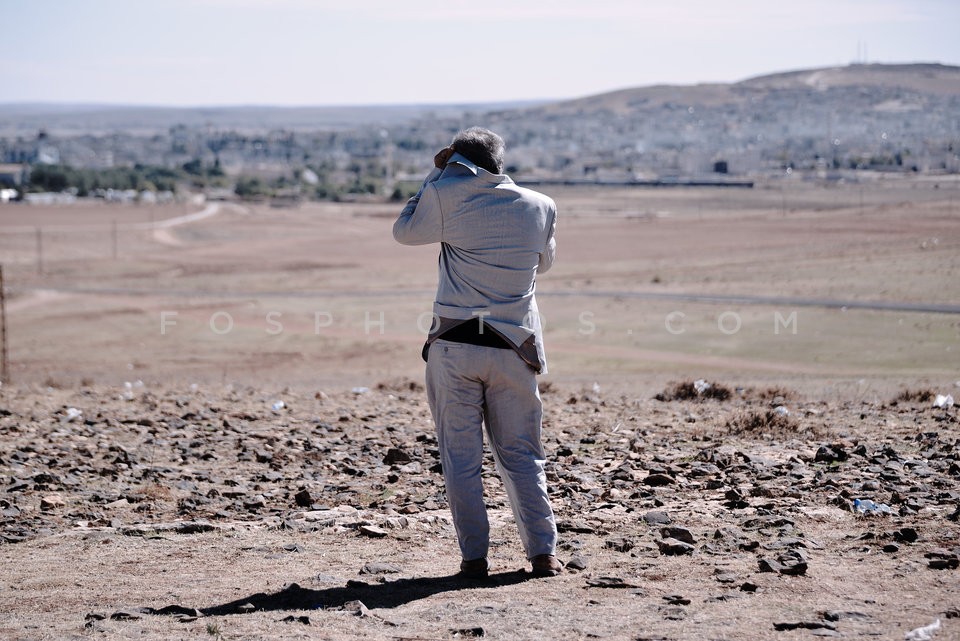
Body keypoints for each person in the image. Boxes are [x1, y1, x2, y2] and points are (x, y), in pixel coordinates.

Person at [392, 127, 561, 578]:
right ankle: (543, 553)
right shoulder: (540, 206)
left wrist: (433, 176)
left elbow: (404, 231)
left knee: (461, 460)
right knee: (523, 454)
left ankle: (474, 560)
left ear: (456, 162)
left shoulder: (447, 197)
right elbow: (543, 263)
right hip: (514, 348)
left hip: (455, 347)